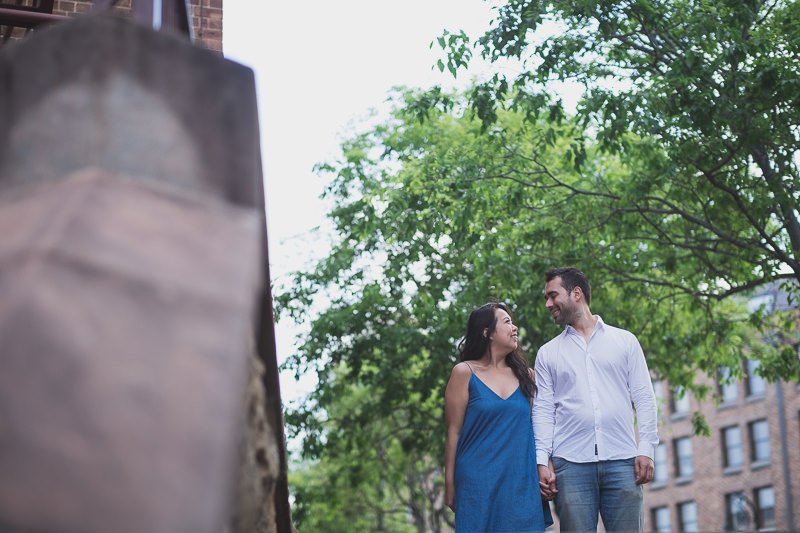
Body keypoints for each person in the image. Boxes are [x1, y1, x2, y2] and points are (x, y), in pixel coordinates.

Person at [533, 267, 659, 532]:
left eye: (553, 295)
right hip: (571, 464)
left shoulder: (625, 341)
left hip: (623, 460)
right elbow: (543, 411)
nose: (548, 304)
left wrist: (646, 448)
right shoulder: (547, 354)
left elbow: (644, 397)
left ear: (576, 293)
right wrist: (541, 461)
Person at [444, 302, 552, 533]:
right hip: (477, 483)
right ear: (487, 332)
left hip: (521, 482)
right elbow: (453, 432)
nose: (514, 328)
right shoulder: (464, 373)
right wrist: (450, 484)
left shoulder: (528, 376)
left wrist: (545, 466)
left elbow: (539, 428)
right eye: (507, 322)